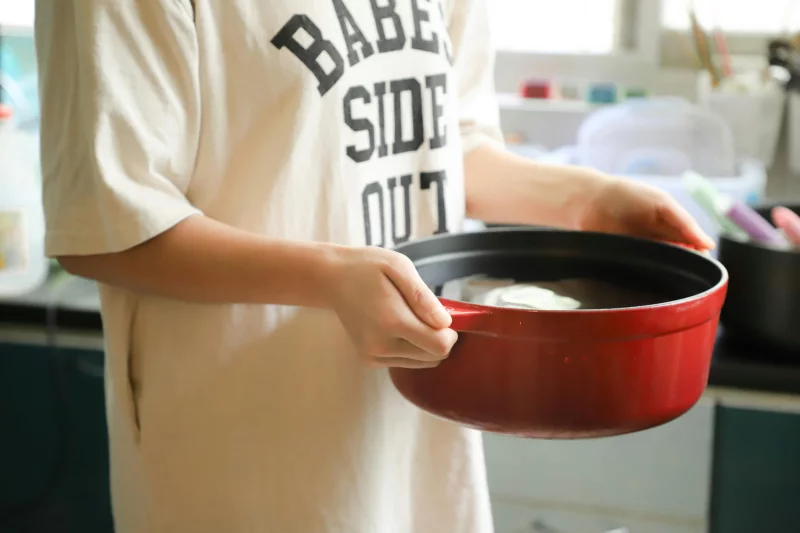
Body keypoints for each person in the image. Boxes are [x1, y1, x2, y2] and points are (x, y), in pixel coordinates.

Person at [34, 1, 714, 532]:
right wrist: (331, 276)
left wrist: (587, 199)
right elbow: (105, 225)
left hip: (419, 435)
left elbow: (451, 146)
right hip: (247, 451)